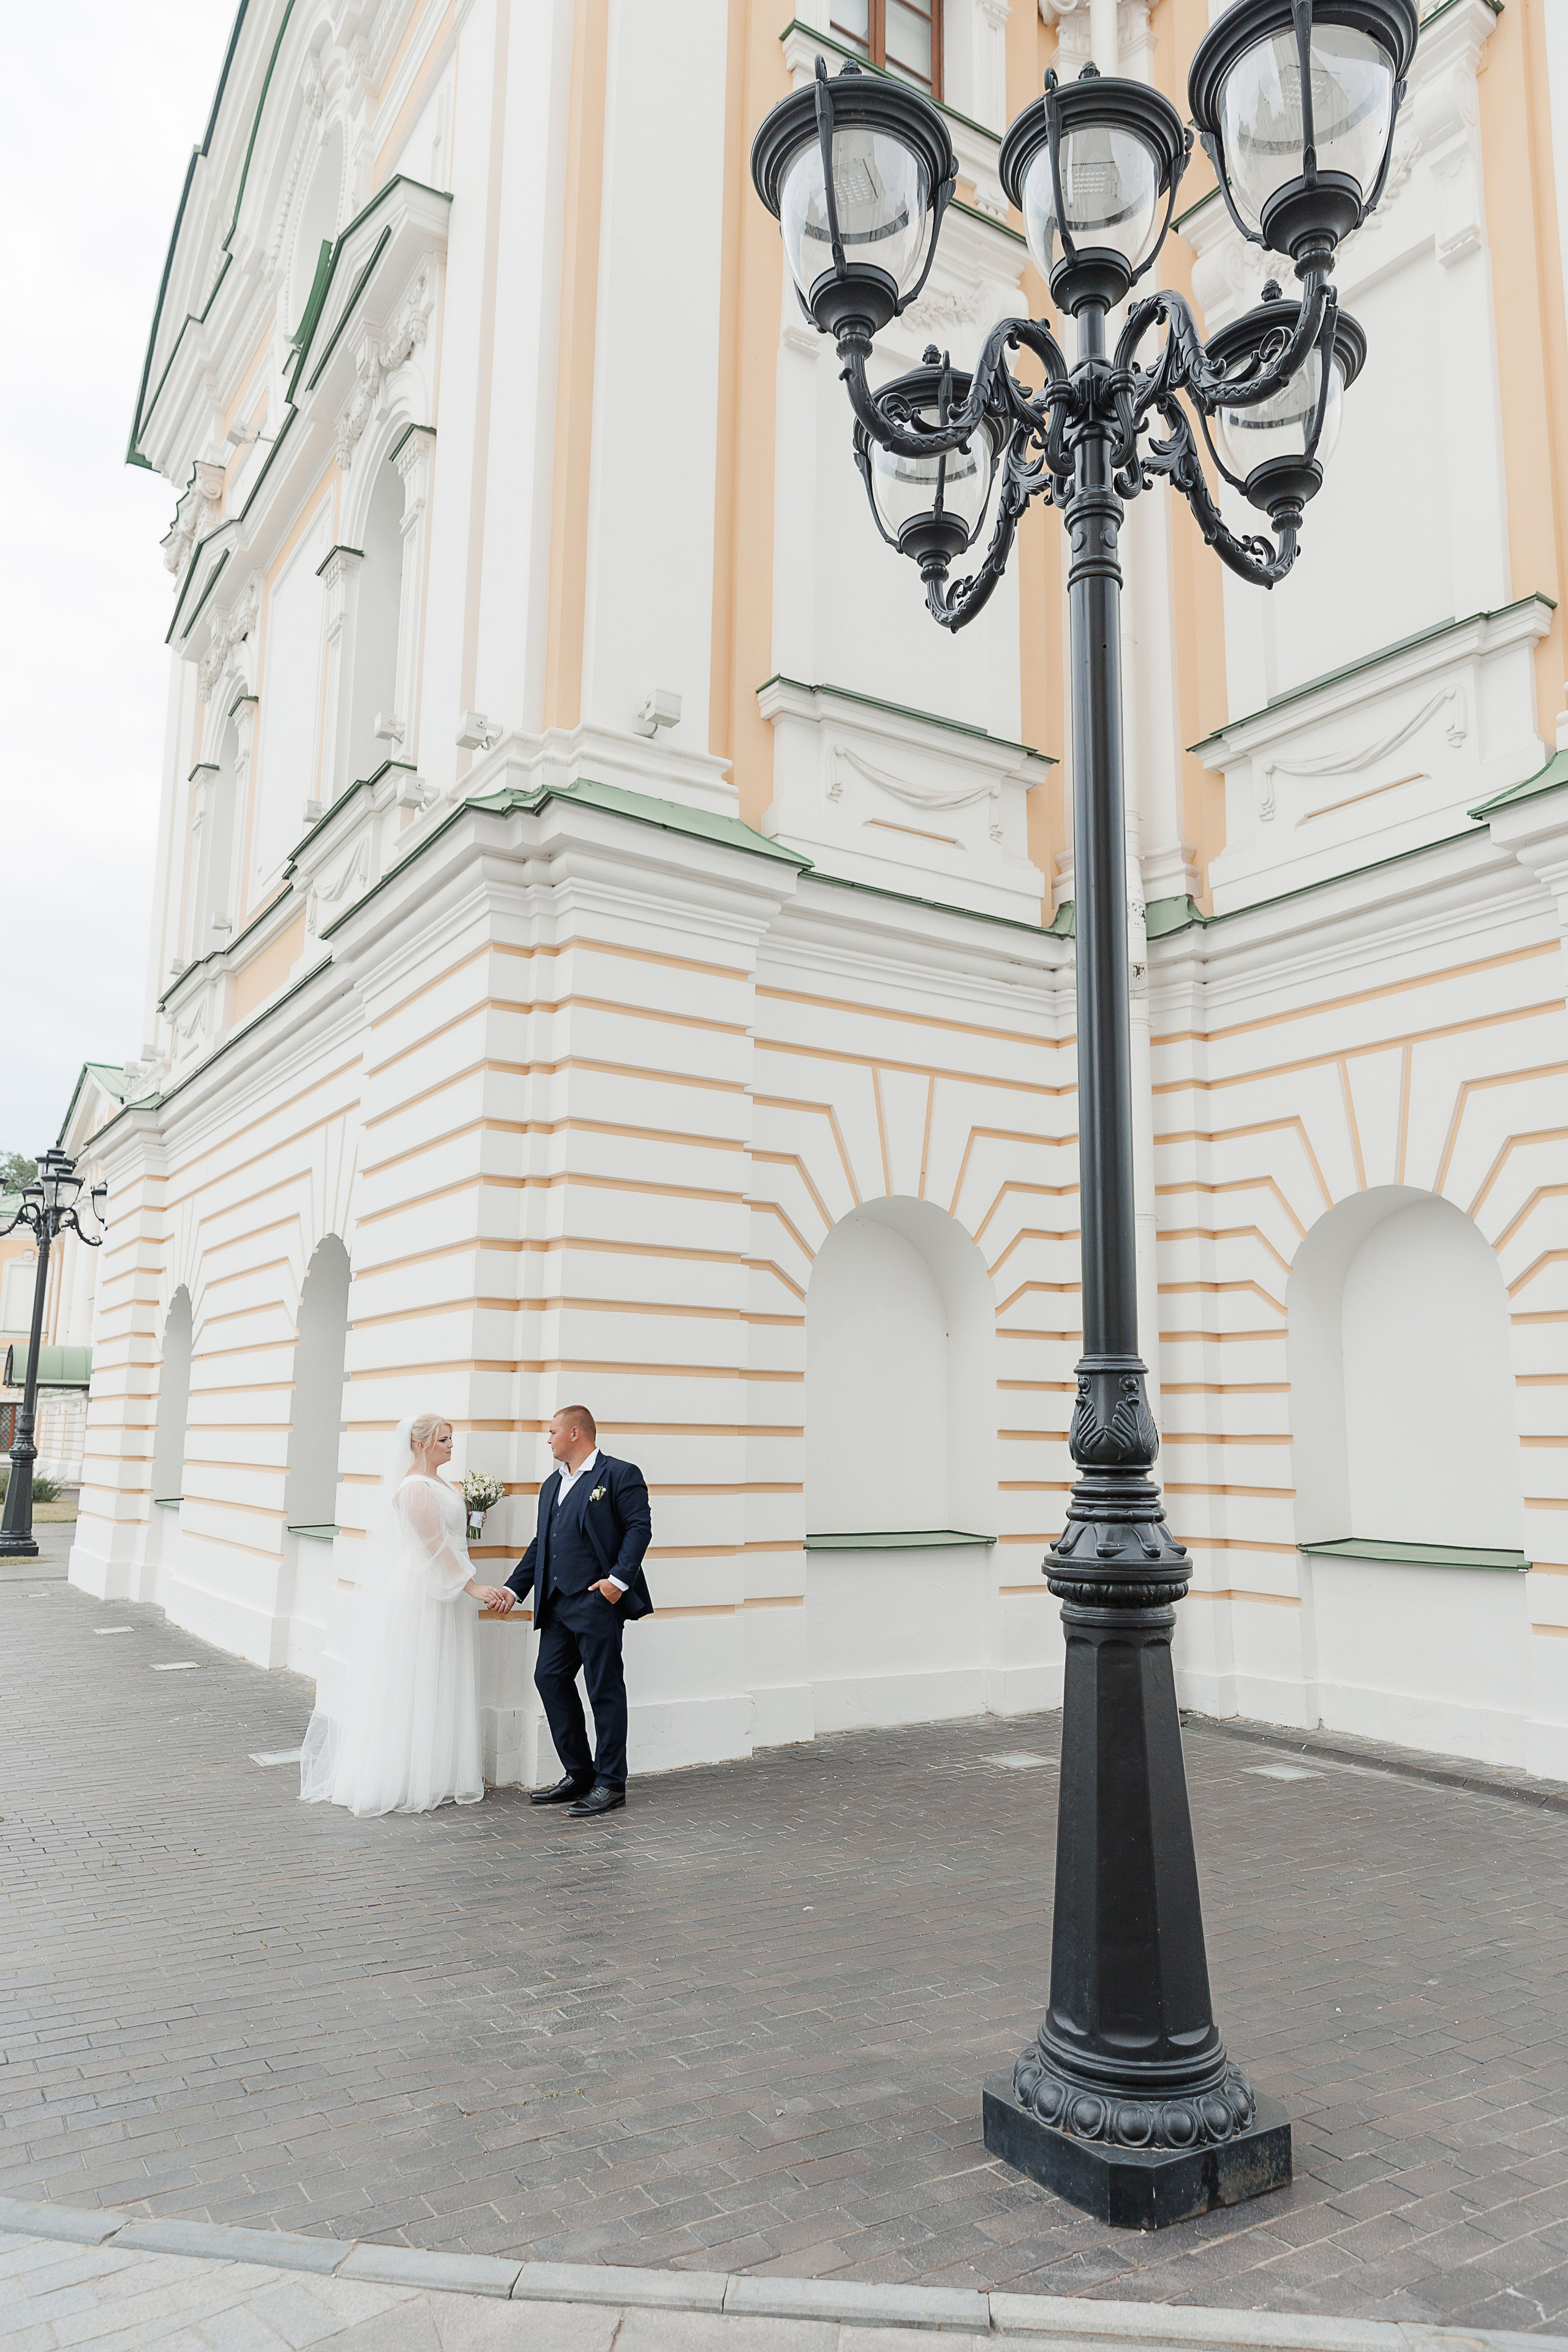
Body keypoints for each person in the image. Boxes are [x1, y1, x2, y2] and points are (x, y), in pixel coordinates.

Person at [298, 1411, 516, 1816]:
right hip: (424, 1590)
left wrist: (475, 1516)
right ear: (421, 1445)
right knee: (418, 1674)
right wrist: (473, 1586)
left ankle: (439, 1769)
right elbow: (432, 1546)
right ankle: (406, 1774)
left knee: (441, 1672)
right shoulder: (415, 1487)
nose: (452, 1446)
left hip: (443, 1587)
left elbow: (450, 1534)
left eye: (451, 1439)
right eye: (444, 1440)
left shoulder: (439, 1482)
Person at [507, 1406, 652, 1817]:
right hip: (556, 1605)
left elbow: (639, 1529)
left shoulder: (620, 1474)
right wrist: (514, 1589)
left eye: (552, 1432)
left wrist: (616, 1583)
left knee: (603, 1689)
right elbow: (543, 1544)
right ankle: (580, 1773)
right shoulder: (552, 1484)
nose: (548, 1438)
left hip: (596, 1602)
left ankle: (611, 1783)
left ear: (575, 1433)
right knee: (549, 1678)